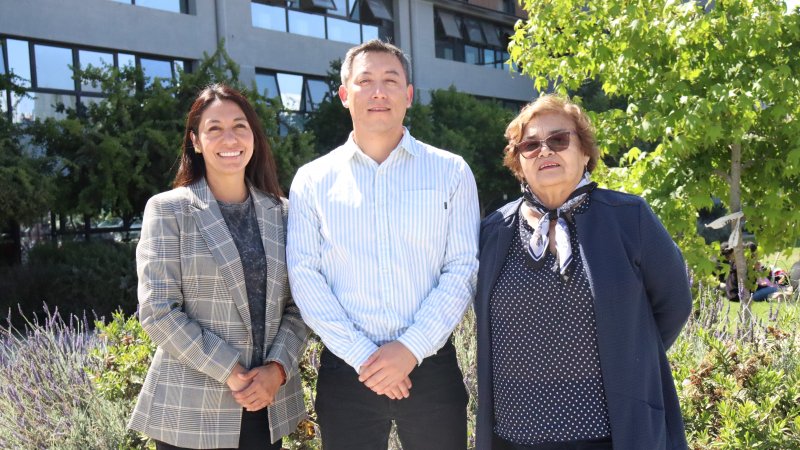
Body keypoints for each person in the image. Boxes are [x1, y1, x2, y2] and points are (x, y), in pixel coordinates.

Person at [286, 39, 480, 450]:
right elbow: (305, 277)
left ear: (408, 95)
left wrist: (409, 349)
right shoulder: (312, 180)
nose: (378, 91)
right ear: (344, 95)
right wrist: (365, 357)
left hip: (431, 367)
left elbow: (462, 267)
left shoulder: (451, 171)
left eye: (391, 80)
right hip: (346, 370)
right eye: (365, 81)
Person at [475, 95, 692, 450]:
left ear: (585, 152)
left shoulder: (628, 217)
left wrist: (628, 355)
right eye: (530, 145)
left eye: (559, 140)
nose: (545, 151)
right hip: (515, 435)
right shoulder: (494, 230)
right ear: (518, 163)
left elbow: (675, 303)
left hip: (611, 433)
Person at [128, 84, 309, 449]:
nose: (230, 138)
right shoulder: (168, 210)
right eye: (214, 128)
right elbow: (158, 310)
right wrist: (234, 372)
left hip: (266, 404)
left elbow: (302, 305)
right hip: (191, 408)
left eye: (240, 126)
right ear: (196, 141)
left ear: (254, 136)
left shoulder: (285, 213)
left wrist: (276, 370)